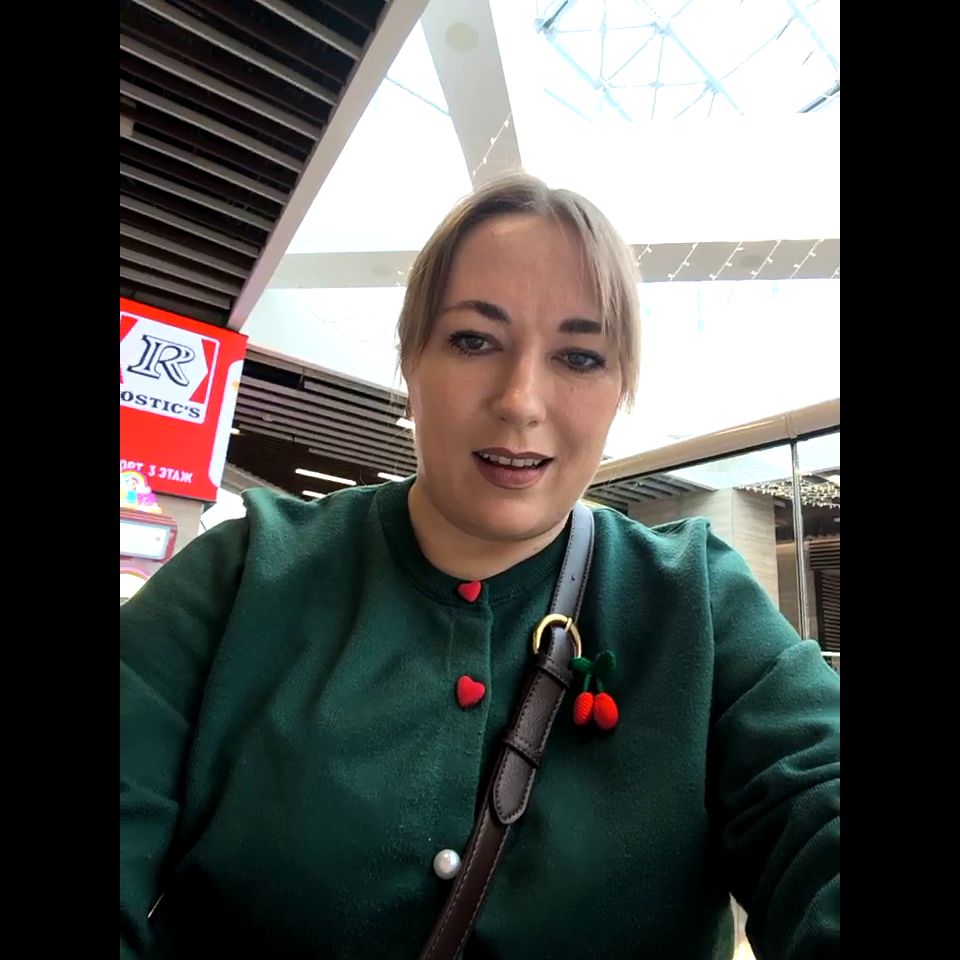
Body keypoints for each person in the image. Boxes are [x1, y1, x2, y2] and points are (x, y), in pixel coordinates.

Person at [120, 173, 840, 959]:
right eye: (473, 340)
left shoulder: (696, 603)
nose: (521, 400)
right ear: (411, 360)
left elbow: (818, 795)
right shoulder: (242, 577)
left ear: (620, 390)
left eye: (579, 356)